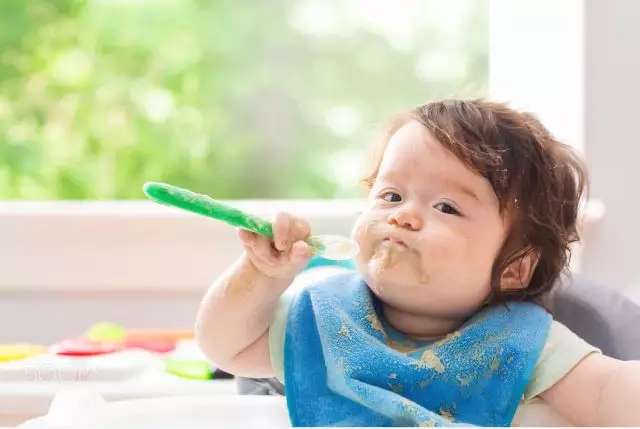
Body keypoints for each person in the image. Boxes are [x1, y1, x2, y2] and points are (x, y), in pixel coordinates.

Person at [196, 99, 640, 426]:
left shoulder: (521, 342)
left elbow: (608, 395)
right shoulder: (326, 315)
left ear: (514, 268)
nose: (402, 215)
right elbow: (226, 346)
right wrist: (259, 275)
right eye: (390, 195)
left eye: (446, 207)